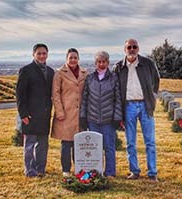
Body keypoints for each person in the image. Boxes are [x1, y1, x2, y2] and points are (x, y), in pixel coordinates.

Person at [113, 39, 160, 182]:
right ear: (124, 49)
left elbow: (156, 80)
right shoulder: (119, 67)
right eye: (129, 47)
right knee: (130, 142)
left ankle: (152, 173)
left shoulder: (148, 63)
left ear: (138, 48)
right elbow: (116, 88)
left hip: (145, 105)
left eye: (135, 47)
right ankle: (134, 171)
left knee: (150, 141)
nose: (132, 49)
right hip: (128, 106)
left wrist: (153, 97)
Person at [80, 51, 122, 178]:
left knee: (109, 147)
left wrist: (117, 117)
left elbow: (118, 99)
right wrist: (83, 116)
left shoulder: (114, 78)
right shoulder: (90, 78)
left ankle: (110, 172)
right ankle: (95, 172)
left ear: (108, 63)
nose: (101, 64)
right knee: (94, 148)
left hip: (108, 120)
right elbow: (85, 99)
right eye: (99, 62)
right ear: (95, 63)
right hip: (92, 119)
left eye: (104, 61)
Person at [16, 43, 54, 177]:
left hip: (44, 115)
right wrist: (23, 114)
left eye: (44, 53)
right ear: (33, 55)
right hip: (30, 115)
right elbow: (20, 95)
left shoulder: (50, 71)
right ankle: (30, 171)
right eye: (39, 53)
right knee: (29, 145)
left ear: (47, 54)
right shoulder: (26, 70)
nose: (42, 56)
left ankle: (40, 170)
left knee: (43, 145)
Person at [51, 48, 87, 177]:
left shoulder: (84, 73)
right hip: (65, 113)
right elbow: (55, 94)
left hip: (80, 114)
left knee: (78, 143)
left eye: (75, 57)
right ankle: (66, 170)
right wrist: (59, 112)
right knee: (66, 143)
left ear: (78, 59)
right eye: (70, 57)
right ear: (66, 58)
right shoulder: (60, 73)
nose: (73, 60)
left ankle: (79, 168)